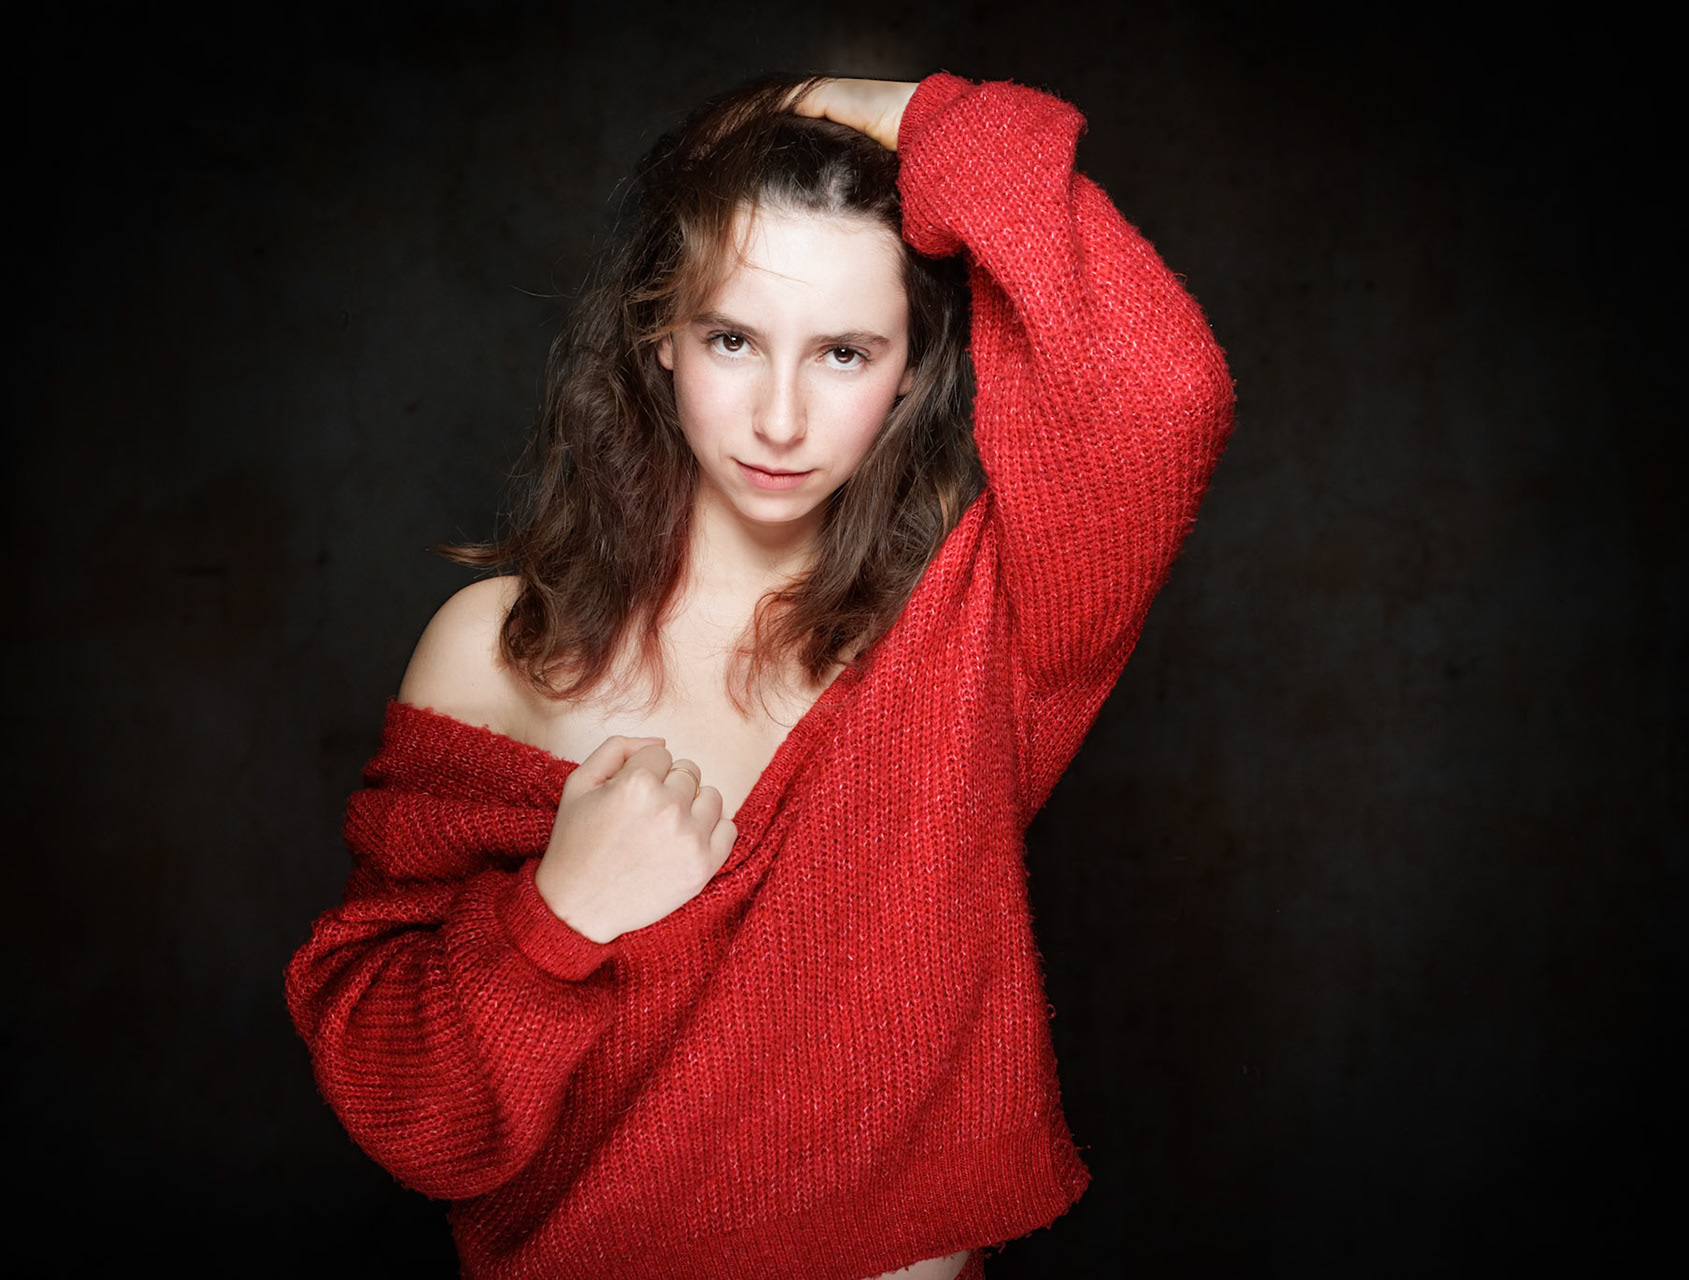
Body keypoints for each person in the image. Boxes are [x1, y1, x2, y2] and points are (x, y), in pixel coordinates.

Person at [288, 72, 1234, 1279]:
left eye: (844, 351)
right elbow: (408, 1108)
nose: (779, 418)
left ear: (911, 369)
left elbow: (1164, 391)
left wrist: (897, 108)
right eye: (732, 339)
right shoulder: (501, 649)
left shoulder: (974, 625)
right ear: (660, 334)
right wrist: (555, 917)